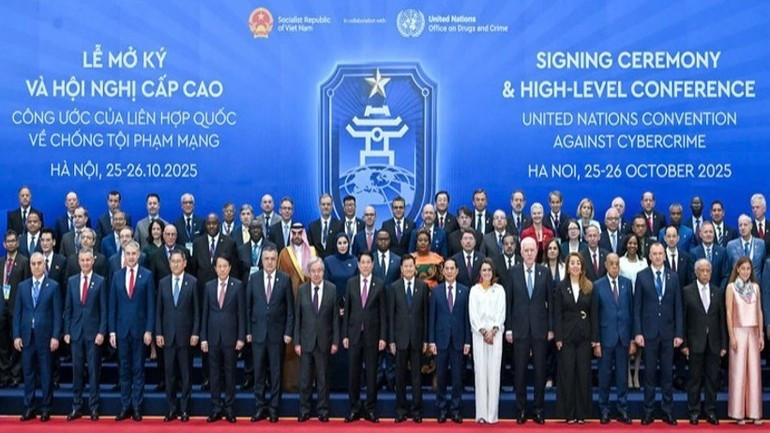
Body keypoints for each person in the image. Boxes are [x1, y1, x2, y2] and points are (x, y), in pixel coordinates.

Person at [505, 237, 553, 424]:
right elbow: (509, 303)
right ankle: (521, 410)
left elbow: (551, 302)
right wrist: (508, 329)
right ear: (521, 252)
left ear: (537, 251)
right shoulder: (513, 272)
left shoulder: (545, 272)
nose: (529, 253)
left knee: (540, 372)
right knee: (520, 372)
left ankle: (539, 409)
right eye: (526, 250)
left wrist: (550, 328)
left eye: (532, 250)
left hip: (541, 330)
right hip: (519, 330)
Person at [634, 242, 682, 425]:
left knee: (667, 374)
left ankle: (667, 410)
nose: (658, 256)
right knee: (650, 374)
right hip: (648, 333)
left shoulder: (673, 277)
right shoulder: (642, 276)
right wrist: (638, 332)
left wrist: (679, 333)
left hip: (669, 333)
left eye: (661, 253)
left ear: (664, 255)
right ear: (650, 256)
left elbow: (678, 306)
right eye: (654, 253)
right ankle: (648, 410)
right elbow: (637, 307)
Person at [109, 241, 155, 422]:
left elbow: (151, 305)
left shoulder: (147, 275)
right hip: (121, 331)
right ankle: (125, 406)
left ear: (138, 255)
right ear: (124, 255)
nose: (130, 257)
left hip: (140, 331)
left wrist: (149, 330)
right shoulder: (117, 275)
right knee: (124, 370)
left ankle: (137, 406)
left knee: (138, 369)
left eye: (133, 254)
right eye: (127, 253)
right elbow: (112, 305)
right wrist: (112, 331)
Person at [246, 246, 293, 423]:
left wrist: (288, 331)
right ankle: (260, 407)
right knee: (258, 373)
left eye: (273, 259)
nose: (270, 262)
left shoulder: (285, 279)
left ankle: (273, 408)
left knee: (275, 372)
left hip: (277, 334)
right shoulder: (254, 278)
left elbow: (290, 309)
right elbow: (248, 307)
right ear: (262, 260)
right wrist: (248, 331)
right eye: (266, 259)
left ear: (276, 260)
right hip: (257, 334)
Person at [13, 252, 61, 422]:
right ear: (30, 266)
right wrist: (16, 335)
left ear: (44, 265)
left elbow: (57, 314)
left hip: (46, 338)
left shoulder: (53, 286)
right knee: (28, 373)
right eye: (33, 263)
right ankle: (29, 407)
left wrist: (56, 336)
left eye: (39, 263)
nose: (36, 266)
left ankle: (46, 408)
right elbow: (17, 313)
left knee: (46, 373)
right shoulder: (22, 286)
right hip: (27, 337)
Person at [155, 250, 199, 423]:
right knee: (169, 375)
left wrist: (196, 332)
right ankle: (171, 409)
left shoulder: (193, 282)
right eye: (172, 261)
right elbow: (159, 311)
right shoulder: (163, 283)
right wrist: (158, 332)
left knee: (186, 374)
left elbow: (197, 311)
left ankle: (185, 409)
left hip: (186, 337)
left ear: (185, 263)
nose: (175, 264)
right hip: (167, 337)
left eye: (178, 261)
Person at [342, 251, 386, 423]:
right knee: (353, 373)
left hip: (372, 336)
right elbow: (347, 312)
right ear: (358, 265)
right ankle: (354, 408)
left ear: (373, 264)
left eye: (369, 262)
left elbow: (383, 313)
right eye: (363, 262)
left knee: (371, 373)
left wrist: (383, 337)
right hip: (353, 335)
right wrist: (345, 334)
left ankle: (370, 408)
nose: (366, 265)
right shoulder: (351, 283)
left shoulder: (380, 284)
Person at [63, 250, 107, 421]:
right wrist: (66, 331)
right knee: (77, 371)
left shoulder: (101, 281)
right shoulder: (72, 281)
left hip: (93, 333)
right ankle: (76, 406)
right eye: (82, 260)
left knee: (94, 372)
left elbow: (104, 309)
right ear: (78, 261)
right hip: (75, 333)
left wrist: (102, 332)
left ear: (93, 261)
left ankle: (94, 407)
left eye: (88, 260)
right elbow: (68, 309)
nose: (85, 263)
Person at [681, 259, 726, 425]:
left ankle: (710, 410)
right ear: (696, 272)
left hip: (714, 343)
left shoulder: (718, 291)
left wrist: (723, 344)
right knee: (694, 379)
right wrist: (684, 344)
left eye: (708, 270)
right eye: (702, 270)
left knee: (712, 379)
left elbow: (721, 320)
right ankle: (693, 411)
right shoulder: (687, 291)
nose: (705, 273)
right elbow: (683, 319)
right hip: (694, 343)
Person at [201, 256, 245, 423]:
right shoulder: (209, 286)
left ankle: (229, 407)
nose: (222, 269)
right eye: (219, 266)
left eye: (225, 266)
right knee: (214, 373)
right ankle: (216, 407)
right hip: (212, 337)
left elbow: (241, 313)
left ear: (229, 267)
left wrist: (241, 337)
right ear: (215, 268)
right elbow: (205, 313)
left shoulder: (238, 285)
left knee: (230, 373)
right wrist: (203, 338)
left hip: (231, 338)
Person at [294, 258, 339, 422]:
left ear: (323, 272)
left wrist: (335, 341)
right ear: (309, 273)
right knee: (305, 380)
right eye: (313, 271)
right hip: (306, 341)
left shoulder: (332, 289)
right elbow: (297, 318)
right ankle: (304, 410)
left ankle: (323, 410)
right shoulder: (302, 289)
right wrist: (297, 342)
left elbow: (335, 318)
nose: (316, 274)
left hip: (324, 341)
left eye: (319, 271)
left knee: (323, 379)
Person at [592, 253, 634, 424]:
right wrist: (596, 342)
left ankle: (622, 409)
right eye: (611, 264)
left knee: (623, 377)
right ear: (606, 265)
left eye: (617, 263)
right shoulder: (598, 286)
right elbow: (594, 316)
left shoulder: (626, 283)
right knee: (605, 376)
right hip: (605, 339)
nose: (615, 267)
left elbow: (631, 313)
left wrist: (631, 339)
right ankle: (604, 409)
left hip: (623, 339)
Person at [554, 252, 596, 423]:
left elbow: (594, 314)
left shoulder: (589, 286)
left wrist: (595, 338)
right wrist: (558, 337)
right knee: (568, 374)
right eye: (572, 263)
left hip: (584, 337)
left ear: (582, 266)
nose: (575, 266)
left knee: (583, 374)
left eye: (578, 263)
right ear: (568, 266)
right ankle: (568, 413)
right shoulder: (561, 286)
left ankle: (582, 414)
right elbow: (557, 314)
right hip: (566, 337)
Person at [428, 258, 470, 424]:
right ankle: (442, 409)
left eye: (453, 268)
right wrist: (431, 341)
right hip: (441, 341)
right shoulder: (436, 291)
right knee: (441, 376)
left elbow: (467, 318)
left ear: (457, 271)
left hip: (459, 341)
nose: (450, 271)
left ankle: (456, 409)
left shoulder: (465, 291)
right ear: (443, 271)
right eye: (447, 268)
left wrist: (467, 341)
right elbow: (432, 317)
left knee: (458, 378)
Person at [389, 255, 429, 423]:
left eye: (411, 266)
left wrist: (426, 339)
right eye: (405, 266)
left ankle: (417, 410)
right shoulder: (394, 287)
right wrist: (391, 340)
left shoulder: (423, 286)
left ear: (415, 268)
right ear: (401, 269)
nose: (408, 269)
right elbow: (391, 316)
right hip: (399, 339)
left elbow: (426, 316)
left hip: (418, 339)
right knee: (400, 376)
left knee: (416, 377)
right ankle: (401, 410)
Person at [277, 222, 316, 391]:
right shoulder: (284, 253)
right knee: (291, 345)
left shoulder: (313, 252)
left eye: (300, 233)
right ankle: (291, 383)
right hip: (290, 305)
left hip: (310, 305)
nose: (297, 236)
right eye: (294, 233)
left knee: (309, 343)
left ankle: (309, 382)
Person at [726, 257, 764, 425]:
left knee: (754, 374)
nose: (746, 272)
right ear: (737, 270)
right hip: (738, 331)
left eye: (748, 269)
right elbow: (728, 312)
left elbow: (760, 312)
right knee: (738, 373)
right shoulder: (731, 287)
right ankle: (738, 412)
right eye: (743, 269)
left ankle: (755, 412)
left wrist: (761, 334)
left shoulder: (755, 287)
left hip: (753, 331)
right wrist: (731, 336)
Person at [469, 259, 506, 424]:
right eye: (484, 270)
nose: (486, 273)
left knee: (494, 373)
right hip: (479, 336)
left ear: (493, 272)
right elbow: (473, 315)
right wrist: (484, 331)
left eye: (489, 270)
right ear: (480, 273)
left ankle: (492, 415)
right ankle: (482, 414)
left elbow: (501, 313)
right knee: (481, 373)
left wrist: (493, 331)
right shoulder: (474, 290)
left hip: (496, 336)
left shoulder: (499, 290)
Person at [618, 233, 647, 388]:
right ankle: (628, 375)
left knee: (639, 339)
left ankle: (636, 374)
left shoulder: (643, 262)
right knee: (626, 340)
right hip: (625, 304)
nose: (632, 246)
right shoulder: (620, 261)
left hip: (641, 303)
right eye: (629, 243)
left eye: (635, 243)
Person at [690, 221, 730, 289]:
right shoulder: (694, 253)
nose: (708, 234)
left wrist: (719, 292)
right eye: (705, 232)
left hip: (718, 293)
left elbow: (725, 275)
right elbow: (692, 276)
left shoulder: (722, 251)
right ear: (700, 234)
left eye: (711, 232)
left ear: (714, 234)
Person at [323, 233, 358, 313]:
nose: (342, 246)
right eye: (339, 243)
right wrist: (336, 307)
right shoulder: (328, 261)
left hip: (352, 306)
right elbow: (326, 286)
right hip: (332, 306)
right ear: (335, 245)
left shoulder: (355, 261)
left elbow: (357, 286)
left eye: (345, 243)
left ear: (349, 244)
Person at [726, 214, 765, 279]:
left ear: (751, 226)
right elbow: (728, 269)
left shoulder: (761, 244)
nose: (743, 227)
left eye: (745, 225)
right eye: (740, 225)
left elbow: (763, 267)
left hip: (756, 286)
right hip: (737, 286)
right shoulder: (731, 246)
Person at [307, 194, 342, 259]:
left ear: (332, 206)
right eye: (323, 204)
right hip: (317, 265)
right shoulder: (312, 227)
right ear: (319, 206)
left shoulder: (339, 225)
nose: (326, 207)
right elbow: (310, 249)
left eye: (328, 204)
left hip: (333, 264)